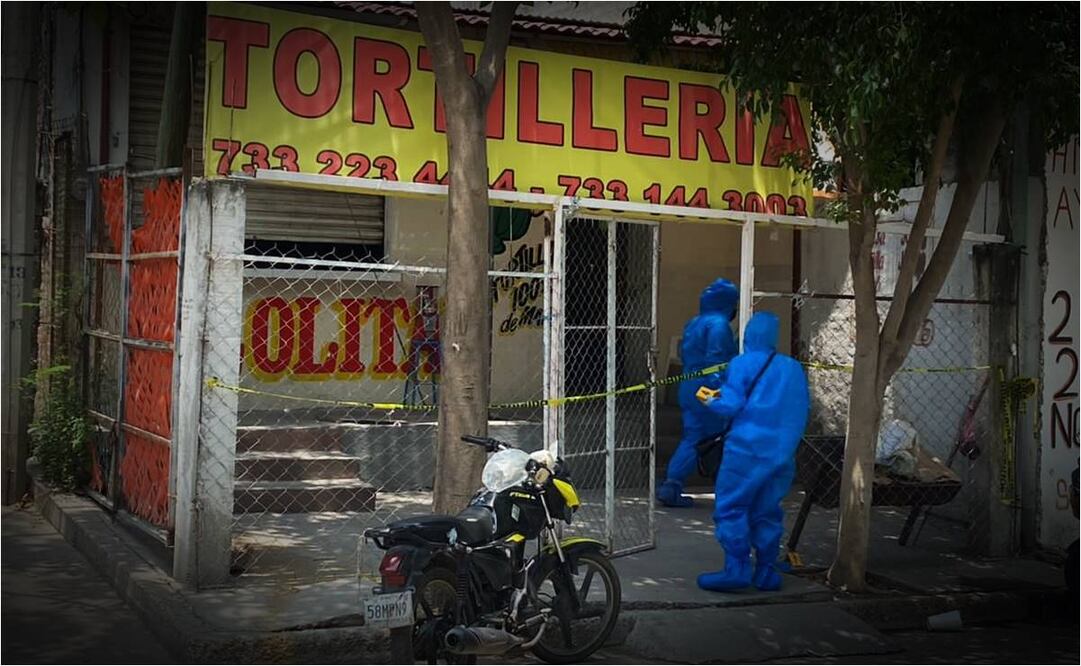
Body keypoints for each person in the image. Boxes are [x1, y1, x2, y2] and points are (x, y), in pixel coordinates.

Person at [696, 312, 809, 592]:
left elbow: (729, 405)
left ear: (748, 335)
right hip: (782, 457)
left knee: (732, 508)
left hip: (745, 454)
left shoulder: (742, 363)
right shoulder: (793, 368)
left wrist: (704, 393)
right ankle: (766, 571)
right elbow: (802, 409)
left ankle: (736, 569)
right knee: (768, 511)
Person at [656, 278, 739, 508]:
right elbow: (716, 362)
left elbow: (684, 353)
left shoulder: (694, 323)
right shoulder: (719, 325)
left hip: (689, 386)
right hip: (709, 389)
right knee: (723, 436)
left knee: (695, 437)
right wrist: (724, 394)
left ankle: (672, 485)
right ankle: (727, 489)